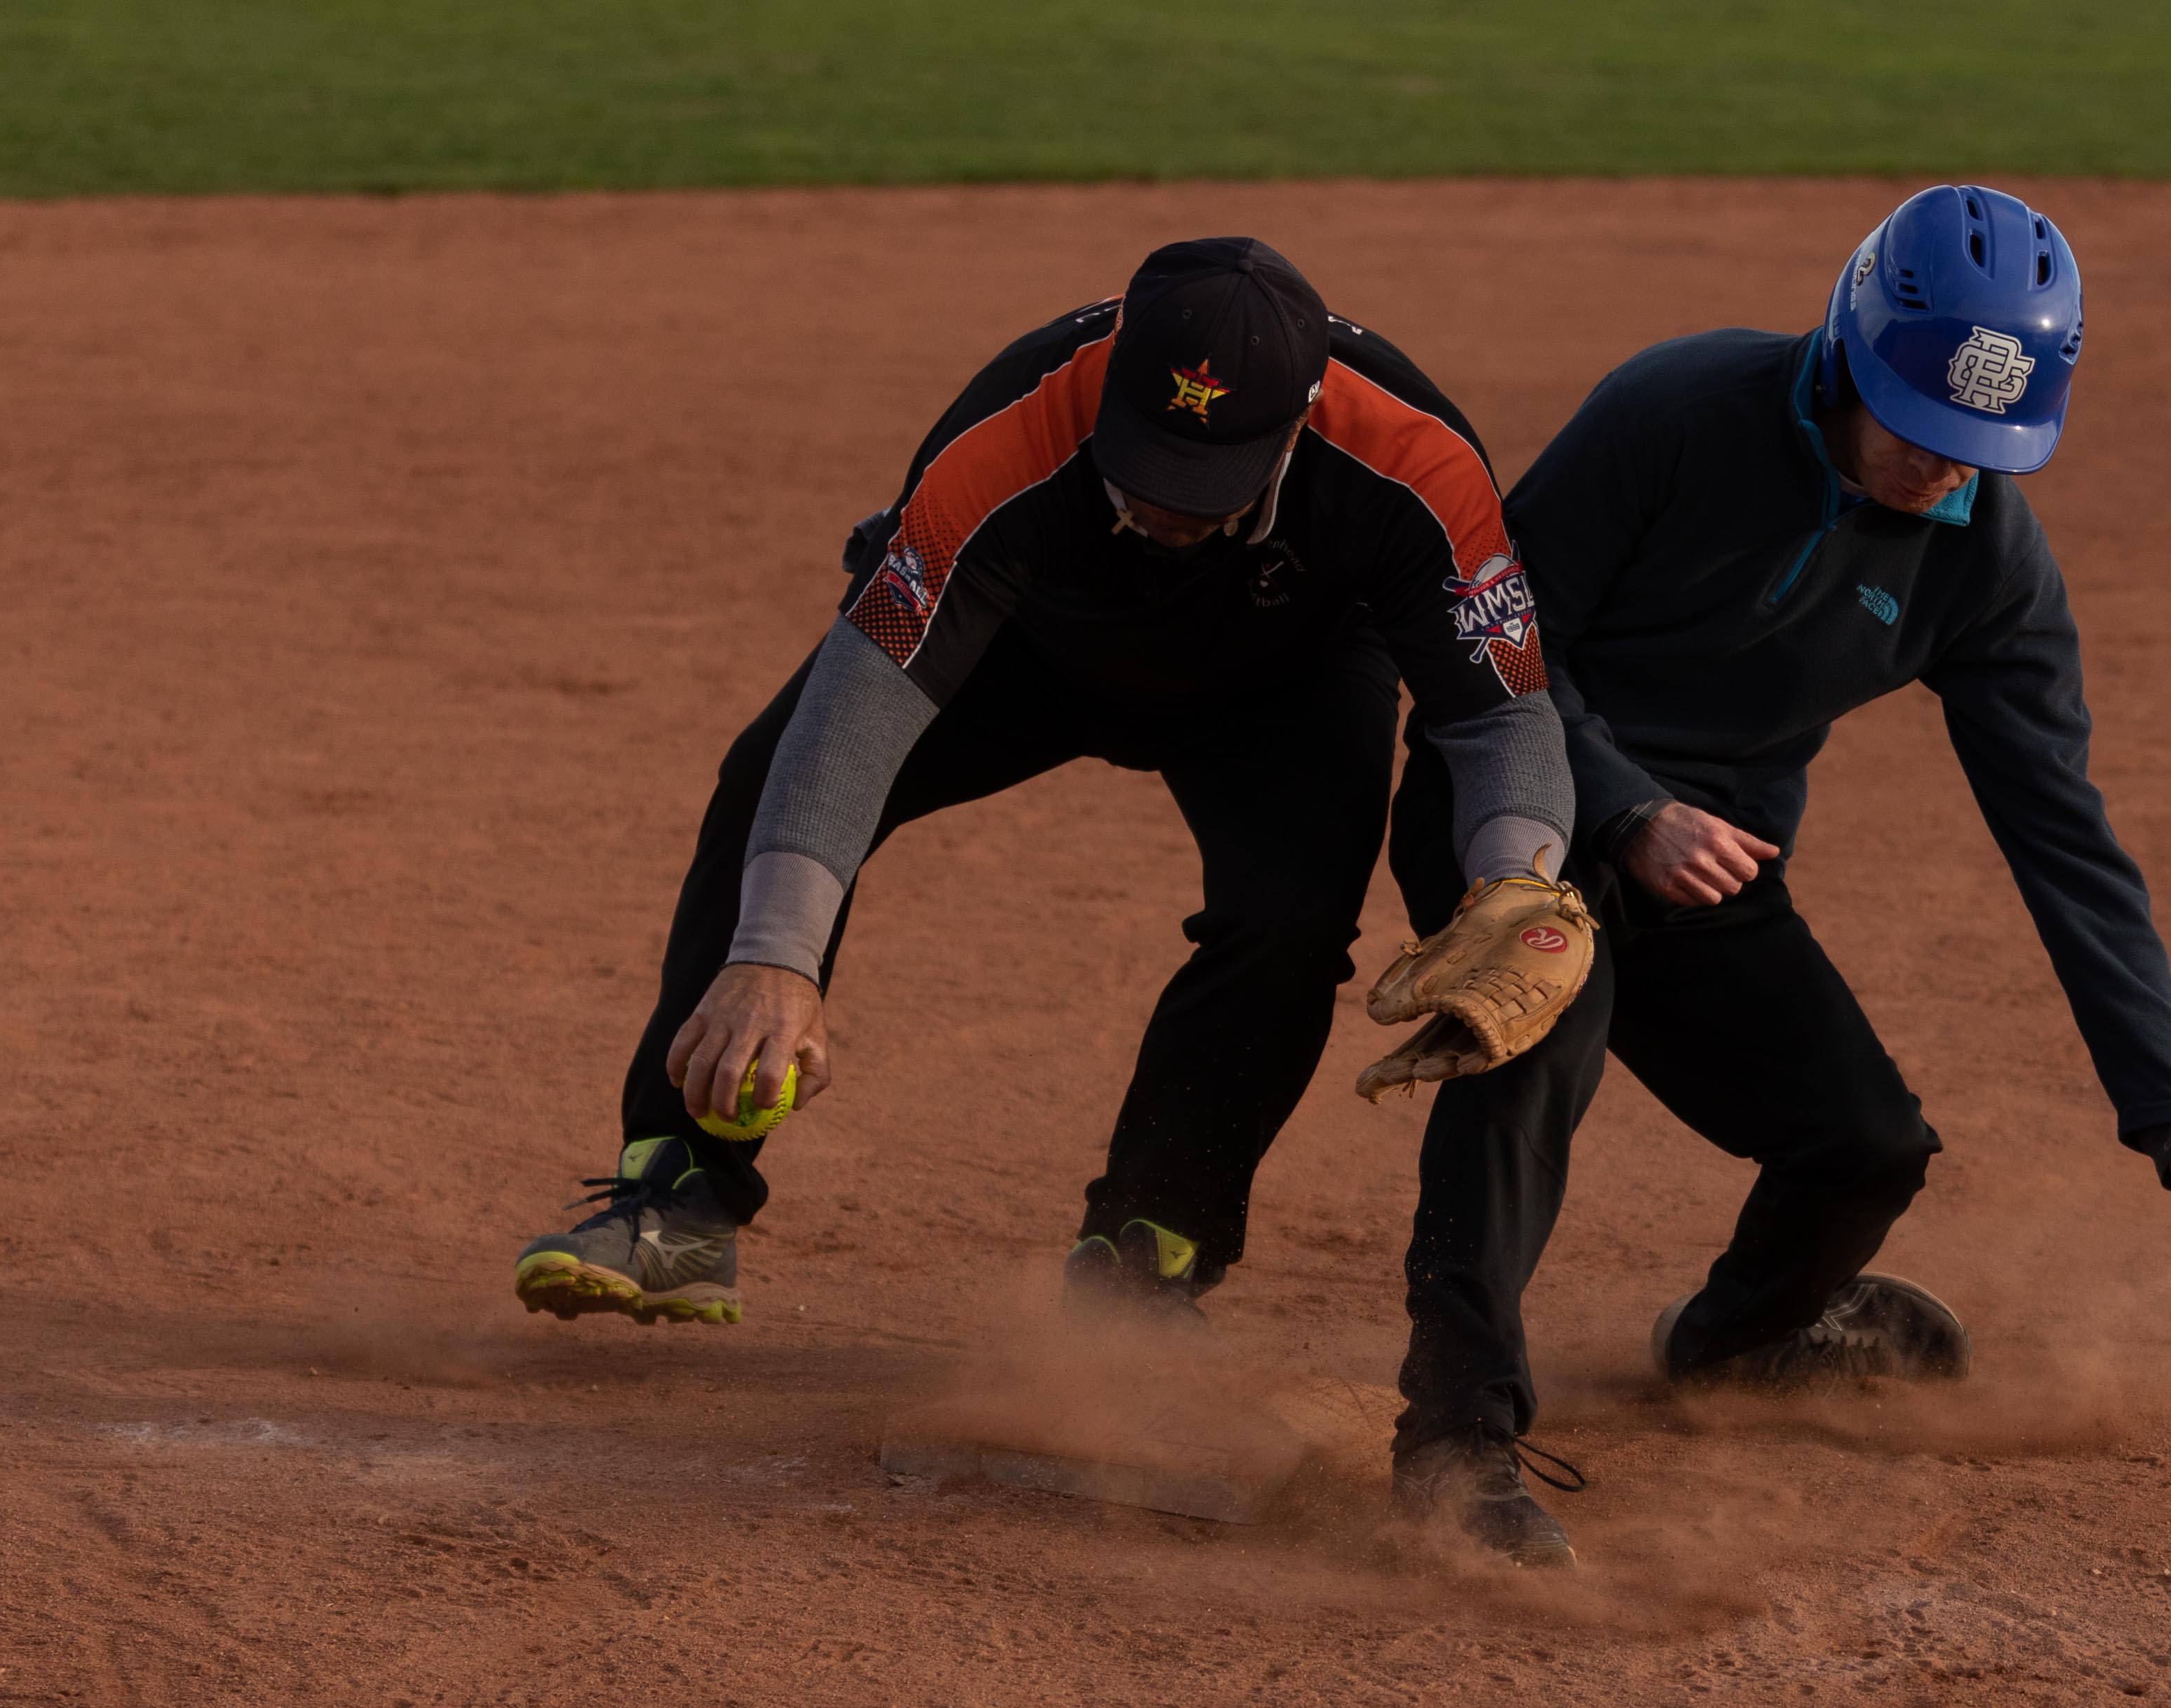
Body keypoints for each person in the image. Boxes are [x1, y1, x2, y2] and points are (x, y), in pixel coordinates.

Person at [1379, 186, 2171, 1568]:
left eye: (1982, 445)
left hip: (1714, 864)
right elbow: (1493, 652)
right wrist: (1624, 808)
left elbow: (2063, 836)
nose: (1945, 470)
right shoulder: (1674, 412)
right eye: (1921, 430)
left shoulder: (1980, 561)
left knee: (1863, 1145)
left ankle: (1738, 1343)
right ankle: (1452, 1445)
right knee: (1532, 1055)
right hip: (1525, 805)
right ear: (1853, 353)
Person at [509, 238, 1573, 1349]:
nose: (1165, 505)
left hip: (1287, 677)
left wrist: (1519, 882)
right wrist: (774, 953)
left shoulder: (1416, 460)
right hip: (1030, 648)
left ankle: (1148, 1252)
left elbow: (1499, 710)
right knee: (763, 788)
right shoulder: (1012, 426)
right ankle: (682, 1192)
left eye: (1202, 483)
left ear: (1301, 421)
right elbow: (857, 707)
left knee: (1291, 921)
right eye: (1145, 461)